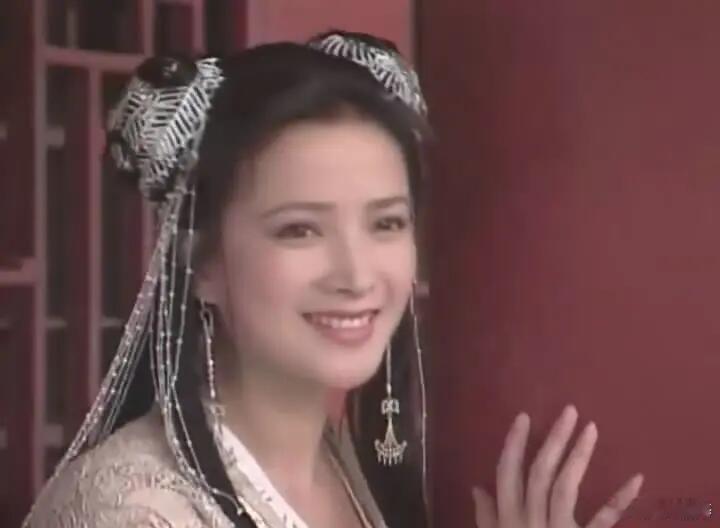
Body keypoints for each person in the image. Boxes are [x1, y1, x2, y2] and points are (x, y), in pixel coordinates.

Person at [23, 30, 644, 528]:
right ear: (202, 264)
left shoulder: (345, 462)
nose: (356, 275)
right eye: (300, 230)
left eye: (386, 223)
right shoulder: (130, 511)